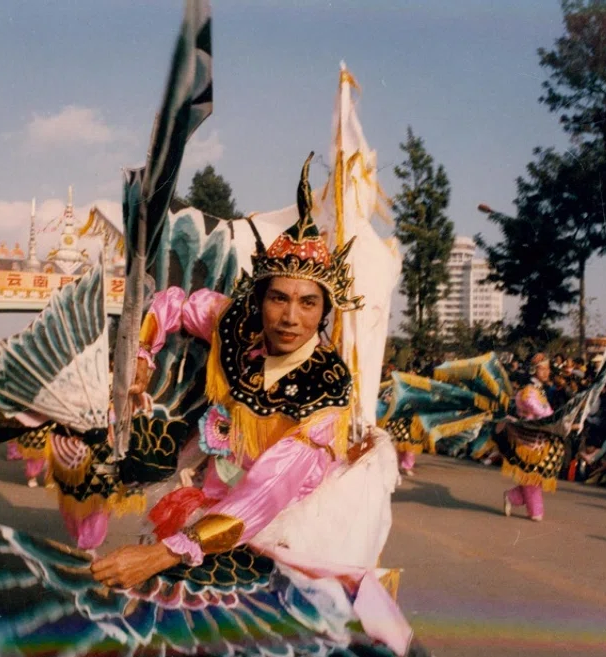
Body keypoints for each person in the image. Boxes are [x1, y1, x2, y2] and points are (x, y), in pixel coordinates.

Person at [90, 155, 411, 654]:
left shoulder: (323, 391)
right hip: (214, 490)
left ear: (325, 311)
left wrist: (161, 555)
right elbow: (170, 304)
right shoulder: (236, 325)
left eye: (308, 303)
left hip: (285, 517)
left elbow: (265, 493)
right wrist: (140, 359)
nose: (289, 317)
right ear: (258, 299)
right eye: (278, 298)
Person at [501, 352, 555, 521]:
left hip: (539, 439)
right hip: (527, 440)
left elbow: (546, 412)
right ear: (533, 370)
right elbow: (538, 410)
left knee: (535, 476)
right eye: (543, 369)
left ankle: (513, 496)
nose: (547, 372)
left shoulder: (538, 390)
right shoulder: (528, 391)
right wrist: (552, 417)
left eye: (548, 369)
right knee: (532, 476)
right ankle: (535, 511)